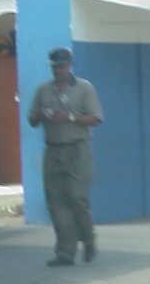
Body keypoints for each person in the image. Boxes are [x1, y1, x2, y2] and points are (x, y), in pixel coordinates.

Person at [28, 47, 103, 267]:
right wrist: (40, 115)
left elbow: (96, 118)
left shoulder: (84, 88)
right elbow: (32, 120)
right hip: (53, 149)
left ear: (69, 65)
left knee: (77, 198)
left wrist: (69, 117)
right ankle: (65, 251)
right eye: (54, 66)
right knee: (56, 201)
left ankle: (88, 239)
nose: (58, 70)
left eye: (61, 66)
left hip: (77, 148)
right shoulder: (44, 90)